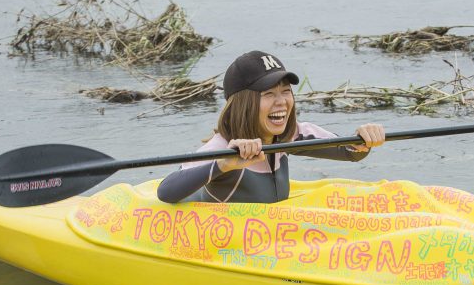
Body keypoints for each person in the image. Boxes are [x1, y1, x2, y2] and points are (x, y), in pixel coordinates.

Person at [158, 50, 385, 204]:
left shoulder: (288, 135)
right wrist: (225, 164)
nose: (282, 102)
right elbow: (166, 191)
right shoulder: (223, 147)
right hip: (220, 249)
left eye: (286, 91)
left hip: (266, 242)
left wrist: (363, 139)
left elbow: (348, 152)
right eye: (268, 94)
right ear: (243, 103)